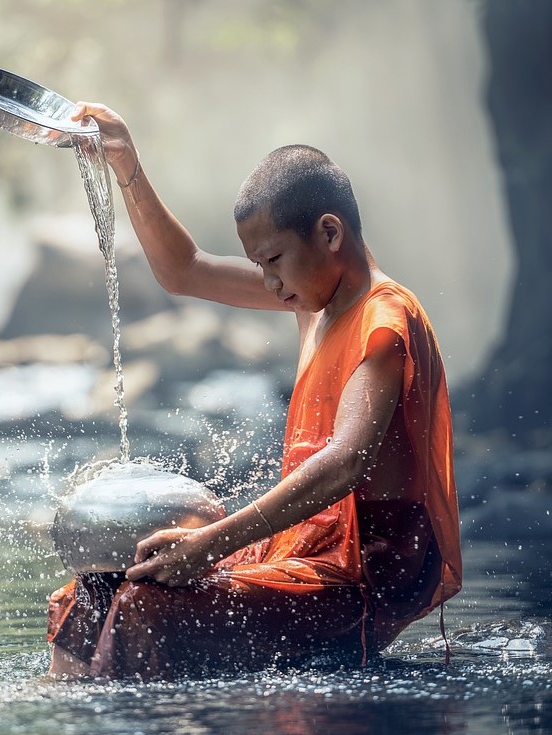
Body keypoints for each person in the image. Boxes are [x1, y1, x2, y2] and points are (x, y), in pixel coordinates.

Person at [46, 102, 462, 681]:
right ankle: (59, 710)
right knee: (92, 589)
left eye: (272, 261)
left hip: (359, 577)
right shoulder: (311, 294)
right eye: (257, 265)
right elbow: (185, 270)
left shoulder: (382, 320)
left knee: (143, 606)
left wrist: (212, 544)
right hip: (299, 550)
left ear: (329, 232)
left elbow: (346, 462)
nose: (268, 284)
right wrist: (125, 163)